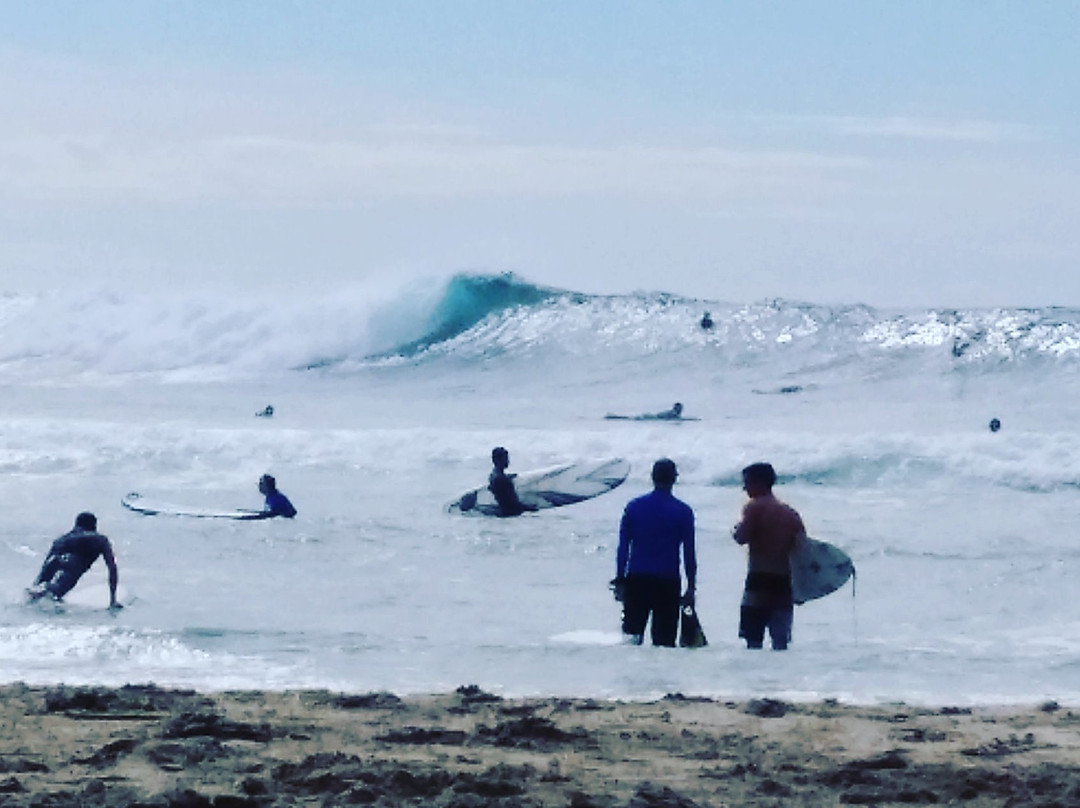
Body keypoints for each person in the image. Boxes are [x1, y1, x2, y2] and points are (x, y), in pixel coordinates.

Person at [612, 458, 696, 646]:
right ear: (675, 478)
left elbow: (623, 547)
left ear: (652, 477)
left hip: (637, 581)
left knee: (632, 640)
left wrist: (619, 579)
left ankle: (632, 675)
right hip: (668, 583)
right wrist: (691, 588)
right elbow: (689, 554)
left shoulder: (634, 507)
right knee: (665, 643)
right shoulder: (683, 511)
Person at [733, 462, 806, 650]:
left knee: (753, 640)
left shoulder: (754, 508)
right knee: (780, 642)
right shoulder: (791, 515)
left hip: (759, 579)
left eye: (747, 483)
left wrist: (736, 530)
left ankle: (756, 679)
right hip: (784, 582)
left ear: (760, 483)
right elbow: (802, 552)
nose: (745, 488)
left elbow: (741, 537)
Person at [27, 512, 121, 609]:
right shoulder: (100, 539)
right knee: (56, 593)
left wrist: (37, 583)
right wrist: (113, 600)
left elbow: (45, 567)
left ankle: (33, 596)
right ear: (94, 525)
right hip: (73, 565)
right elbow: (112, 568)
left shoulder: (61, 539)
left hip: (56, 561)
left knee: (37, 591)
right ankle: (45, 590)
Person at [488, 447, 537, 517]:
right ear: (497, 460)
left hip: (503, 511)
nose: (508, 461)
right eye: (505, 459)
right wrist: (531, 508)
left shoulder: (493, 476)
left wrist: (508, 477)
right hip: (511, 514)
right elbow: (513, 504)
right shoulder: (503, 480)